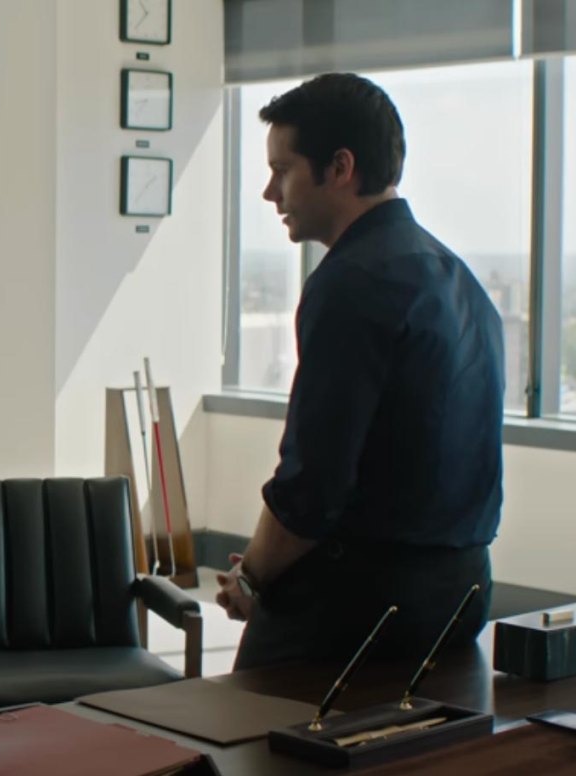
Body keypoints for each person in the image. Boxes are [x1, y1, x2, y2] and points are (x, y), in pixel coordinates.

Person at [215, 73, 504, 671]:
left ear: (340, 167)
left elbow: (313, 487)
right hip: (459, 597)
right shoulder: (459, 279)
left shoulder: (350, 283)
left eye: (283, 170)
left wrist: (252, 578)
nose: (270, 192)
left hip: (358, 610)